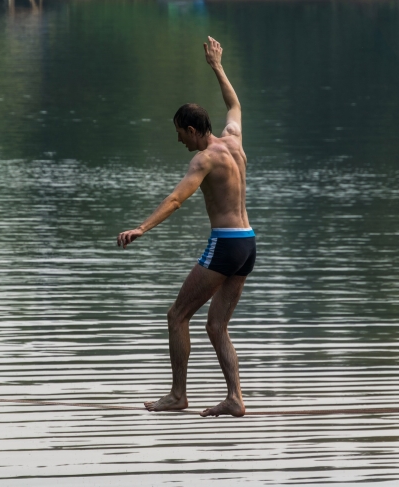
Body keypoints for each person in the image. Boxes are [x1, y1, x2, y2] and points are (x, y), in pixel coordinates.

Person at [117, 36, 255, 417]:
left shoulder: (205, 160)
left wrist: (142, 228)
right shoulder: (234, 141)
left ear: (194, 130)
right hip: (247, 244)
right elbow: (234, 104)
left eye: (179, 131)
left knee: (177, 315)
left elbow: (177, 200)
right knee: (216, 326)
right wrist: (216, 66)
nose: (177, 138)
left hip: (226, 245)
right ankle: (235, 398)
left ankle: (178, 394)